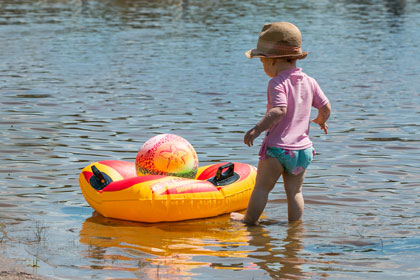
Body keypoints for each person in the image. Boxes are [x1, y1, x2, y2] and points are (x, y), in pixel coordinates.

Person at [231, 22, 331, 225]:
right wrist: (321, 119)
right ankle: (294, 230)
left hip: (278, 149)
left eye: (262, 62)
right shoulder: (310, 81)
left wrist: (257, 129)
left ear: (272, 61)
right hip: (303, 151)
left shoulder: (276, 82)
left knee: (261, 188)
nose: (263, 67)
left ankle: (249, 220)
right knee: (295, 192)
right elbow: (326, 106)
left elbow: (279, 110)